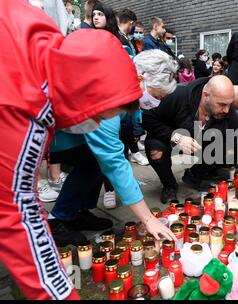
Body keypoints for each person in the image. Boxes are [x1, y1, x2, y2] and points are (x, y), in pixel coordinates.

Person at [1, 0, 144, 300]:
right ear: (87, 95)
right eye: (103, 117)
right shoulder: (26, 107)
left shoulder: (45, 41)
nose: (97, 125)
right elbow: (17, 212)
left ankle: (73, 213)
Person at [48, 50, 178, 247]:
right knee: (96, 162)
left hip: (76, 127)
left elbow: (132, 112)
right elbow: (114, 162)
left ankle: (76, 211)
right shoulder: (108, 96)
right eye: (155, 96)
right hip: (57, 135)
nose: (155, 103)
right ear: (140, 79)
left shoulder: (126, 76)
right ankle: (57, 220)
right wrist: (148, 219)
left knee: (93, 164)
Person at [142, 75, 238, 206]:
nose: (227, 110)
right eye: (222, 105)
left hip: (200, 144)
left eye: (229, 105)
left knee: (229, 148)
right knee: (155, 150)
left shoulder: (227, 111)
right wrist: (176, 137)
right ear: (205, 96)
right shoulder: (177, 95)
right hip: (171, 139)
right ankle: (169, 186)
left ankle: (195, 175)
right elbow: (147, 118)